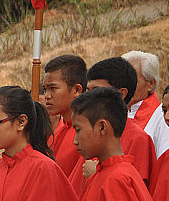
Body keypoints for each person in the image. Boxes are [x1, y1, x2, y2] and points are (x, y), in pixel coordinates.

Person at [67, 57, 157, 193]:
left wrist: (97, 174)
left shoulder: (138, 139)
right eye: (88, 91)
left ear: (121, 94)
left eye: (96, 91)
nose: (89, 98)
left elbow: (132, 192)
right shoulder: (90, 130)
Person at [122, 50, 169, 157]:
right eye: (121, 80)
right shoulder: (116, 113)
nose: (125, 87)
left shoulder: (163, 118)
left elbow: (166, 160)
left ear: (150, 84)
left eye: (132, 81)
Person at [43, 54, 87, 176]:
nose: (47, 95)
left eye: (53, 88)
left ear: (77, 90)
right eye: (45, 89)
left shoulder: (88, 135)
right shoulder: (56, 133)